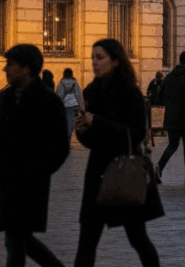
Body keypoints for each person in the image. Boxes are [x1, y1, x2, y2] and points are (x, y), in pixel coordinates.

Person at [74, 39, 162, 267]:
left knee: (137, 237)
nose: (94, 62)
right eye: (93, 57)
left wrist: (98, 122)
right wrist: (83, 130)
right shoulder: (91, 91)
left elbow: (135, 133)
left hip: (125, 171)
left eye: (100, 57)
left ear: (114, 61)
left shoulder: (129, 92)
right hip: (97, 172)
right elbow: (93, 140)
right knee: (87, 240)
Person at [1, 44, 70, 267]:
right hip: (6, 180)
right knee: (19, 239)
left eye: (10, 64)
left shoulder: (48, 101)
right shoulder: (5, 98)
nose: (5, 70)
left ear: (26, 68)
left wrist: (37, 171)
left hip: (31, 183)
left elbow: (60, 146)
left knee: (16, 239)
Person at [155, 51, 185, 183]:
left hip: (171, 117)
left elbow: (160, 98)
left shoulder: (168, 78)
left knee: (172, 145)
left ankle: (159, 166)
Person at [55, 67, 84, 139]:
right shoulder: (75, 82)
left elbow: (59, 95)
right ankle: (68, 137)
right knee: (70, 122)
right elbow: (79, 95)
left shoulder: (61, 83)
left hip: (63, 105)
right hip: (72, 105)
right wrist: (82, 107)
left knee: (63, 122)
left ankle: (64, 137)